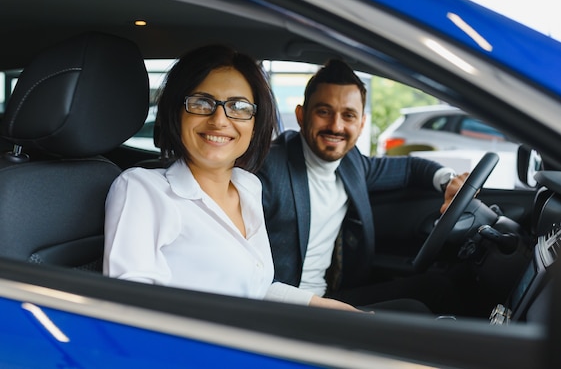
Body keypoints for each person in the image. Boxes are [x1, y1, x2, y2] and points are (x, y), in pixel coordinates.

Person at [103, 45, 356, 311]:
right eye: (202, 102)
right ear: (177, 112)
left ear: (255, 124)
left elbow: (255, 289)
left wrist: (327, 308)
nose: (220, 119)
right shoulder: (142, 190)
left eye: (238, 106)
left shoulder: (248, 186)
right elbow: (130, 312)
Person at [257, 59, 468, 310]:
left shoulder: (352, 162)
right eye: (323, 112)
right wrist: (330, 309)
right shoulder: (268, 169)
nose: (336, 126)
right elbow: (245, 275)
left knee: (437, 288)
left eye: (348, 115)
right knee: (416, 310)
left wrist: (448, 182)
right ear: (302, 116)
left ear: (361, 124)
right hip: (282, 309)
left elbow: (412, 169)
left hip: (329, 297)